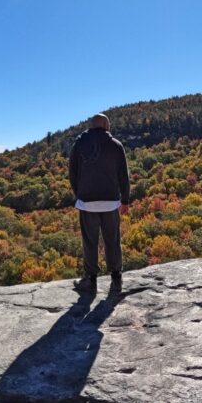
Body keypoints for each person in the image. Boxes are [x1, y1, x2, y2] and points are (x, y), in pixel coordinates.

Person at [68, 113, 130, 294]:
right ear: (105, 126)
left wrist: (79, 193)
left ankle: (90, 280)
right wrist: (124, 200)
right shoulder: (116, 145)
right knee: (112, 240)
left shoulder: (79, 144)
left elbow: (73, 173)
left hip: (87, 202)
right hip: (111, 202)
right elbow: (123, 176)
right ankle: (116, 278)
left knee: (90, 241)